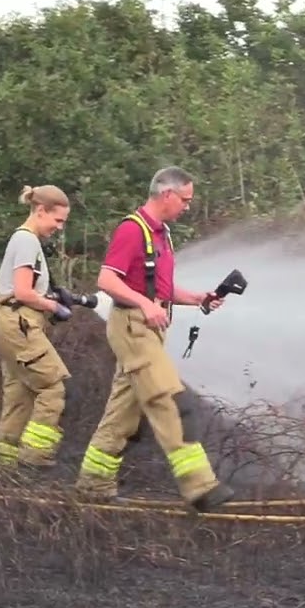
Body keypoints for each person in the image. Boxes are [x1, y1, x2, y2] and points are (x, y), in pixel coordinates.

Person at [73, 166, 235, 512]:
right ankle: (200, 487)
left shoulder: (161, 234)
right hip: (133, 328)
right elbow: (107, 280)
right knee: (170, 400)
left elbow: (156, 287)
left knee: (122, 412)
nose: (187, 207)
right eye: (185, 200)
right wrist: (146, 305)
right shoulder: (133, 230)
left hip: (148, 330)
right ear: (167, 194)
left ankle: (93, 484)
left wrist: (196, 298)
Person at [0, 184, 76, 474]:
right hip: (19, 325)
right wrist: (53, 307)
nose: (59, 228)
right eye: (57, 220)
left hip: (9, 325)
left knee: (19, 399)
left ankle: (2, 472)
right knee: (52, 387)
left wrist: (51, 296)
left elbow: (23, 290)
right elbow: (23, 293)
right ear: (40, 211)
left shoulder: (24, 240)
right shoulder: (26, 241)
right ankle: (34, 459)